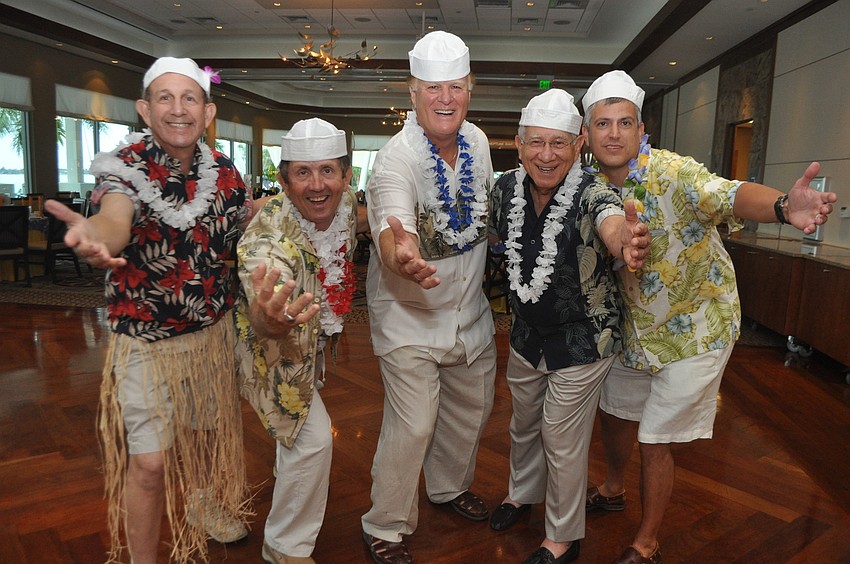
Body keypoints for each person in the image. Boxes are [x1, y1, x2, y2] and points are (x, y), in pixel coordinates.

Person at [580, 70, 837, 564]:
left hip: (697, 327)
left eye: (625, 123)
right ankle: (612, 487)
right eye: (603, 124)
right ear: (588, 135)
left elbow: (730, 193)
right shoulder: (589, 186)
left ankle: (646, 544)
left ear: (641, 129)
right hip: (633, 328)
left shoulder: (676, 172)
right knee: (613, 413)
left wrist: (784, 206)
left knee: (654, 438)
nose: (614, 133)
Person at [43, 57, 253, 563]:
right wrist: (93, 236)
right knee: (152, 463)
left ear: (207, 112)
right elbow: (114, 218)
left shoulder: (224, 173)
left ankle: (203, 504)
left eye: (189, 99)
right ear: (144, 108)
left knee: (205, 434)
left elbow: (243, 225)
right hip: (145, 343)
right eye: (165, 97)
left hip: (211, 335)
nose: (177, 109)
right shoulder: (125, 169)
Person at [487, 88, 649, 564]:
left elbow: (610, 221)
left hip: (583, 340)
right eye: (536, 143)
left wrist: (625, 240)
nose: (546, 155)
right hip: (525, 337)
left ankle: (562, 536)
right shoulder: (503, 190)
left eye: (558, 143)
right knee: (523, 425)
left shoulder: (592, 191)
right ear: (519, 146)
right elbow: (477, 232)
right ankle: (521, 494)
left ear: (578, 144)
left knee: (560, 435)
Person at [361, 30, 497, 564]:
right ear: (412, 92)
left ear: (470, 89)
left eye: (456, 87)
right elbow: (394, 228)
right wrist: (405, 257)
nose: (446, 99)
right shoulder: (395, 160)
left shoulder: (479, 143)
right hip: (409, 316)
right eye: (433, 88)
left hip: (470, 313)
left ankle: (447, 486)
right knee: (413, 422)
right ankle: (385, 526)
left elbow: (479, 212)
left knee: (472, 409)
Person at [235, 118, 359, 564]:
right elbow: (263, 273)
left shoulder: (344, 209)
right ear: (284, 182)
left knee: (296, 436)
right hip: (269, 353)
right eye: (302, 174)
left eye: (328, 170)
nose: (317, 185)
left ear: (347, 177)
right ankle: (284, 547)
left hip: (310, 351)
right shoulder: (267, 234)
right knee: (314, 440)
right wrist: (272, 314)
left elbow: (358, 221)